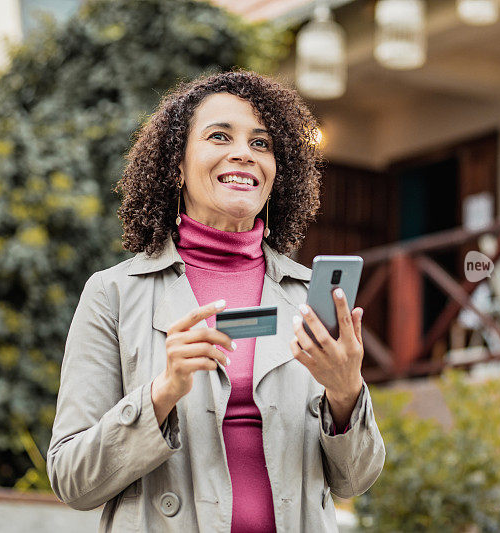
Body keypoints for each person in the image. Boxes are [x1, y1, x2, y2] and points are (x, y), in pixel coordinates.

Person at [47, 70, 385, 532]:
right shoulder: (114, 295)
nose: (244, 153)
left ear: (276, 174)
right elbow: (72, 479)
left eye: (262, 144)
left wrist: (345, 392)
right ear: (178, 165)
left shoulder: (308, 296)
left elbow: (356, 480)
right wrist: (162, 393)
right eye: (219, 136)